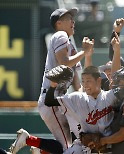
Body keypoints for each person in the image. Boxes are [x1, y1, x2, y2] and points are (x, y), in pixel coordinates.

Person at [9, 7, 94, 154]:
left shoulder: (71, 45)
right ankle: (29, 140)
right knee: (66, 149)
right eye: (68, 18)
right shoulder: (60, 35)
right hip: (51, 99)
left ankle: (39, 148)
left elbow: (78, 83)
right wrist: (84, 52)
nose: (73, 21)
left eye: (73, 18)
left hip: (60, 101)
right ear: (59, 23)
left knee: (74, 142)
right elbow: (64, 62)